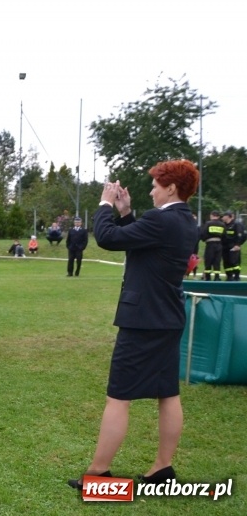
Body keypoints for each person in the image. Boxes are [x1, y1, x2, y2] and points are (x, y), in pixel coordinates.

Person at [68, 159, 200, 491]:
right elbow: (140, 243)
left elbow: (109, 239)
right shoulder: (185, 221)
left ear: (171, 188)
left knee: (118, 396)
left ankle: (99, 473)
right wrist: (126, 212)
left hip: (143, 321)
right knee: (168, 394)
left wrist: (105, 204)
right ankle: (162, 468)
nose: (151, 190)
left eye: (156, 185)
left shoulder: (161, 219)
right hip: (168, 318)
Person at [200, 210, 225, 281]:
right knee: (217, 261)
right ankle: (217, 277)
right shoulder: (222, 224)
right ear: (218, 216)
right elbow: (224, 235)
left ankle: (207, 277)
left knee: (208, 260)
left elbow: (203, 233)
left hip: (210, 244)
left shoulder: (208, 223)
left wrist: (204, 239)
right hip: (219, 245)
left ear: (212, 215)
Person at [221, 211, 245, 281]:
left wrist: (238, 244)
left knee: (234, 262)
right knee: (226, 262)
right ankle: (229, 276)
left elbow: (241, 235)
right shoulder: (224, 225)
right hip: (225, 246)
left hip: (234, 246)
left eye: (224, 216)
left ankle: (237, 276)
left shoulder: (236, 224)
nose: (222, 217)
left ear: (228, 216)